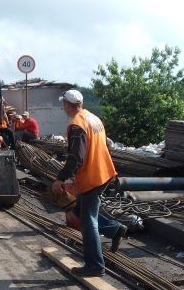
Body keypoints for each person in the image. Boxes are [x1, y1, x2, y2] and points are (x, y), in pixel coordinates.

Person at [52, 89, 128, 278]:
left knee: (87, 221)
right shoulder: (93, 118)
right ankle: (114, 229)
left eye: (64, 104)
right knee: (80, 210)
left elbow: (76, 156)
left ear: (69, 105)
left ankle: (94, 266)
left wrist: (61, 178)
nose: (63, 108)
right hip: (104, 172)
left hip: (92, 177)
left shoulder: (76, 124)